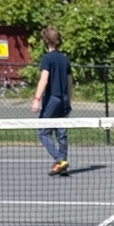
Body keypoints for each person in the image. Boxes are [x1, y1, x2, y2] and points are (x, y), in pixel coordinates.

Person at [31, 27, 72, 176]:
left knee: (43, 132)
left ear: (46, 41)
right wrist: (69, 101)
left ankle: (60, 159)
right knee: (61, 133)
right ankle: (62, 164)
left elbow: (44, 79)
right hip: (64, 99)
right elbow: (69, 82)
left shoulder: (47, 59)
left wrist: (36, 99)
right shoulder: (65, 59)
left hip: (53, 99)